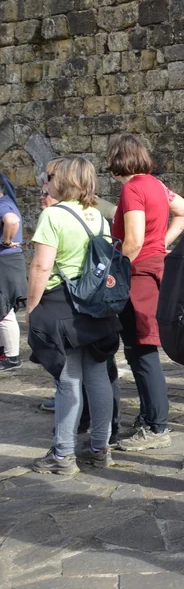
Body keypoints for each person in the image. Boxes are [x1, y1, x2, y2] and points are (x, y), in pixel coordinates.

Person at [26, 157, 123, 474]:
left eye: (50, 176)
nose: (47, 181)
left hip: (62, 305)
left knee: (67, 382)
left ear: (63, 180)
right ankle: (99, 448)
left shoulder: (53, 215)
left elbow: (41, 266)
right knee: (98, 377)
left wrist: (31, 308)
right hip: (95, 306)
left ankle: (63, 455)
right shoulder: (97, 215)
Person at [105, 134, 184, 452]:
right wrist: (162, 242)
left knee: (141, 350)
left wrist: (114, 272)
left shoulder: (132, 189)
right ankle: (148, 418)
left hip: (138, 273)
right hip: (152, 268)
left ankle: (156, 426)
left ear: (117, 159)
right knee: (139, 349)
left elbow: (134, 240)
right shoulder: (156, 185)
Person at [0, 172, 27, 371]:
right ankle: (6, 352)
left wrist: (5, 241)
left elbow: (11, 220)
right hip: (10, 260)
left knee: (5, 310)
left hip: (5, 261)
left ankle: (12, 357)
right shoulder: (7, 200)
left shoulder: (3, 205)